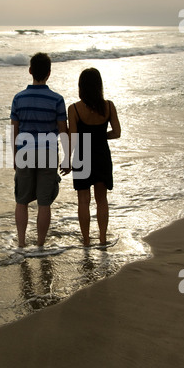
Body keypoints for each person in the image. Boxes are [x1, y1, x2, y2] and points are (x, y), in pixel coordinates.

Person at [10, 53, 69, 247]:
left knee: (22, 200)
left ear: (30, 71)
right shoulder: (57, 100)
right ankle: (41, 244)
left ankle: (21, 243)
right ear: (49, 73)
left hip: (25, 151)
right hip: (48, 152)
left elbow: (15, 131)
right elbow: (63, 131)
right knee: (44, 202)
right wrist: (68, 158)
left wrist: (15, 156)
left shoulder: (18, 98)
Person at [68, 68, 121, 246]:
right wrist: (100, 136)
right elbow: (117, 133)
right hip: (101, 155)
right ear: (99, 85)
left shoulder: (74, 109)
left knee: (83, 200)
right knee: (101, 199)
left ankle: (86, 240)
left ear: (81, 86)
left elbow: (73, 139)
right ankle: (103, 238)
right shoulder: (108, 106)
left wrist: (67, 160)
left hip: (82, 155)